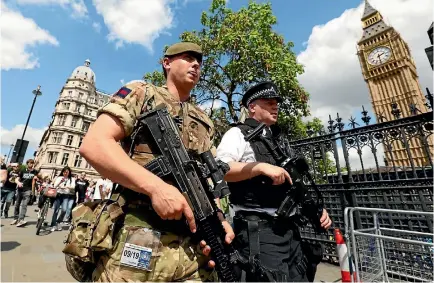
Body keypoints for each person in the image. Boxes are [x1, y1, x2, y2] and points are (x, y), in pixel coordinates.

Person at [79, 42, 234, 282]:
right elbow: (95, 144)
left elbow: (205, 179)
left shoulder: (204, 120)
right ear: (167, 62)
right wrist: (156, 188)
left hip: (192, 251)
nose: (196, 64)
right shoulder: (142, 93)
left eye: (199, 62)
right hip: (140, 238)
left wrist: (219, 220)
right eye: (187, 57)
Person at [216, 81, 332, 282]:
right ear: (252, 107)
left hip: (290, 232)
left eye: (276, 102)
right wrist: (259, 167)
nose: (275, 106)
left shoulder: (278, 140)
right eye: (268, 102)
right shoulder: (238, 133)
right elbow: (221, 169)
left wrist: (318, 209)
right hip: (260, 232)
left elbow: (296, 184)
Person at [11, 159, 38, 227]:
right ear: (27, 164)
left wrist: (36, 178)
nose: (31, 164)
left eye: (32, 163)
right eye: (29, 163)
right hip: (20, 189)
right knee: (17, 204)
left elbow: (37, 179)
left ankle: (21, 219)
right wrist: (18, 183)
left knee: (24, 205)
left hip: (28, 190)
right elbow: (17, 179)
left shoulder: (35, 171)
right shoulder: (22, 171)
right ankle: (15, 218)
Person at [50, 166, 75, 231]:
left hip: (66, 195)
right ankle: (53, 225)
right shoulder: (59, 178)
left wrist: (66, 187)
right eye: (64, 172)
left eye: (67, 172)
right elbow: (55, 186)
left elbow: (73, 186)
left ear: (69, 172)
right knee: (56, 210)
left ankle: (58, 222)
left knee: (64, 210)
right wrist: (60, 182)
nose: (65, 173)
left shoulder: (72, 179)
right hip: (58, 194)